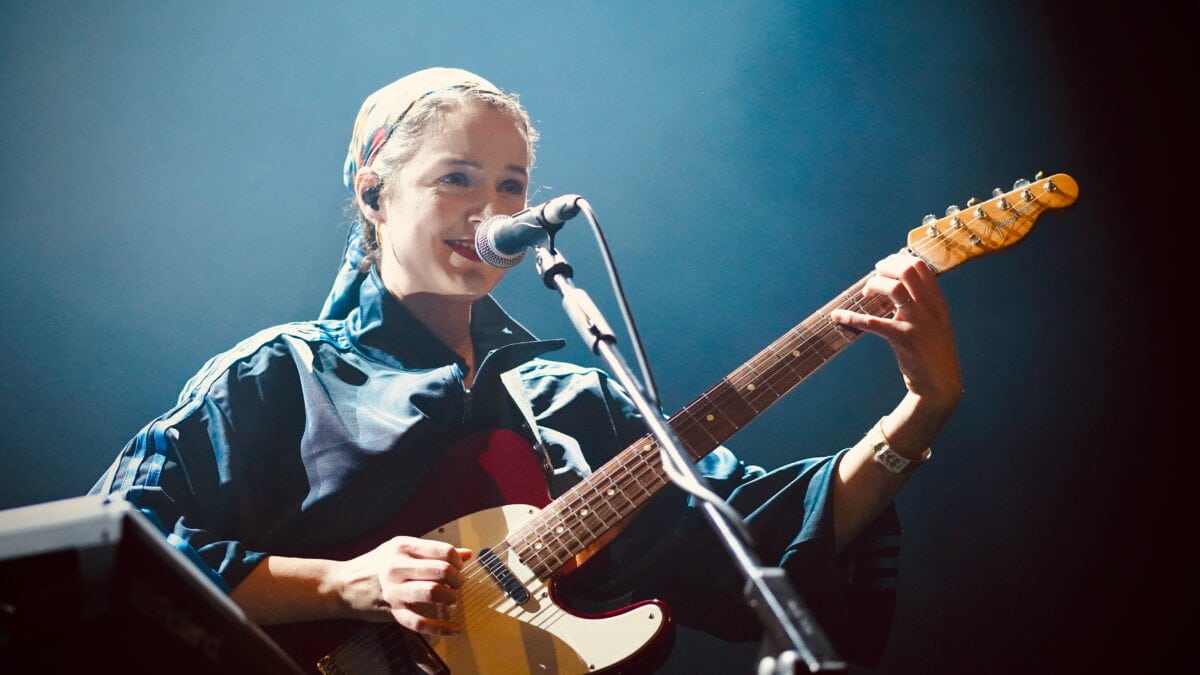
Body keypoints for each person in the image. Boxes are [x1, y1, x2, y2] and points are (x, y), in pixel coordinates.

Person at [91, 66, 961, 672]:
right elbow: (114, 539)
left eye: (512, 185)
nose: (491, 209)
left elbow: (760, 530)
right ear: (372, 192)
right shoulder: (279, 376)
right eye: (457, 177)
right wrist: (348, 582)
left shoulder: (575, 401)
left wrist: (919, 410)